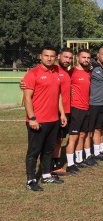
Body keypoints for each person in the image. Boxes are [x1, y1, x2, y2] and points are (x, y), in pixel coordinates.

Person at [23, 46, 67, 191]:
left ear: (56, 57)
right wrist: (33, 118)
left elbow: (59, 95)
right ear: (40, 56)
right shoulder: (32, 74)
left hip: (53, 120)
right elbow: (27, 98)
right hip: (38, 121)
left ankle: (46, 175)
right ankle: (30, 180)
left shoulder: (56, 73)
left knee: (48, 150)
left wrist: (62, 114)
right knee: (34, 151)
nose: (49, 58)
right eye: (46, 55)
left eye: (52, 56)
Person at [66, 49, 96, 169]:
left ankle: (79, 160)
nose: (86, 60)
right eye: (84, 57)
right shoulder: (72, 72)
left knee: (83, 134)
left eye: (88, 58)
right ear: (77, 58)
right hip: (76, 108)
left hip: (86, 107)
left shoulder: (89, 72)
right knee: (73, 136)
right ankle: (70, 163)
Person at [87, 48, 103, 161]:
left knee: (98, 128)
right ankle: (86, 155)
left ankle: (97, 152)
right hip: (92, 104)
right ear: (98, 55)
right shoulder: (91, 66)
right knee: (88, 131)